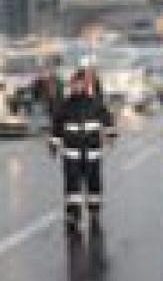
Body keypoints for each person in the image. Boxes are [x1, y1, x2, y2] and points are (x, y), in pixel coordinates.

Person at [48, 67, 117, 234]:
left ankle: (94, 211)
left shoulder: (95, 103)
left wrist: (111, 136)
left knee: (94, 183)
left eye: (80, 84)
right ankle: (73, 213)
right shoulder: (64, 106)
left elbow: (107, 120)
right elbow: (57, 127)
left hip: (92, 151)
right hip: (72, 152)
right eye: (74, 84)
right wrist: (54, 145)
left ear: (84, 85)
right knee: (72, 185)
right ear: (71, 85)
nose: (77, 87)